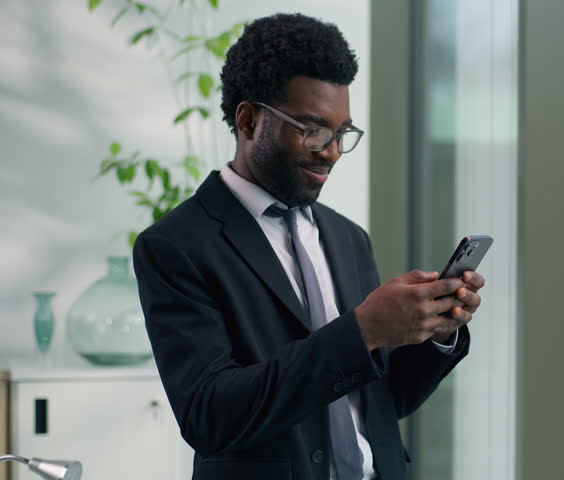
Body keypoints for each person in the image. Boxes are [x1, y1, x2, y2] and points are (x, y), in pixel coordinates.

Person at [132, 12, 485, 480]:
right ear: (248, 118)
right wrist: (363, 330)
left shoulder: (348, 237)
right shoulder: (176, 245)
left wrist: (435, 334)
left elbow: (382, 402)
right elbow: (209, 416)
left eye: (342, 133)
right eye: (313, 129)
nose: (332, 151)